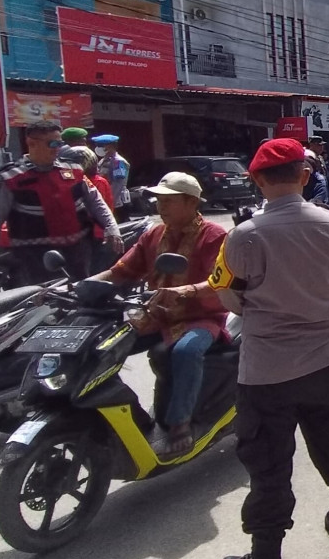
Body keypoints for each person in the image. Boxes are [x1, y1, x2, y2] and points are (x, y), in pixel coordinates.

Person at [208, 139, 329, 559]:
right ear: (304, 176)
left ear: (257, 180)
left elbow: (230, 300)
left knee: (269, 465)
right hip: (326, 360)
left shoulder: (245, 235)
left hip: (267, 371)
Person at [94, 172, 228, 457]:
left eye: (168, 201)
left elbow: (221, 280)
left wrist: (188, 291)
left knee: (185, 352)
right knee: (104, 344)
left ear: (192, 202)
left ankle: (180, 422)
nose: (160, 206)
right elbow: (122, 271)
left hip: (200, 316)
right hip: (155, 313)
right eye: (159, 200)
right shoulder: (154, 234)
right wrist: (87, 284)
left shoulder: (214, 235)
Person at [0, 121, 123, 285]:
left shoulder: (73, 170)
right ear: (31, 143)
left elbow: (97, 203)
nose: (57, 148)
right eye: (51, 143)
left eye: (59, 143)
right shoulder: (10, 178)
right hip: (35, 256)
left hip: (79, 250)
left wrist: (112, 228)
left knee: (81, 296)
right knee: (44, 302)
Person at [59, 146, 117, 274]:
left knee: (91, 272)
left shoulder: (96, 181)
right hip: (80, 234)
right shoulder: (75, 180)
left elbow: (96, 208)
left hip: (96, 234)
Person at [92, 134, 132, 222]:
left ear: (110, 146)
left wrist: (110, 203)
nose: (98, 148)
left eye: (101, 145)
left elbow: (118, 184)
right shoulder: (103, 161)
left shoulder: (118, 161)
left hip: (117, 202)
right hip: (106, 199)